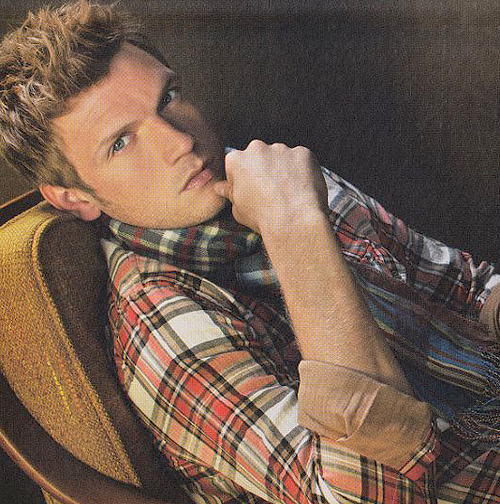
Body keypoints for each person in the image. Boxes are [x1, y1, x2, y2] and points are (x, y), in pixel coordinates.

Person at [1, 2, 500, 502]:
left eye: (167, 97)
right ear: (74, 198)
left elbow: (464, 285)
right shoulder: (163, 323)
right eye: (120, 143)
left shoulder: (271, 177)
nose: (180, 141)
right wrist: (297, 234)